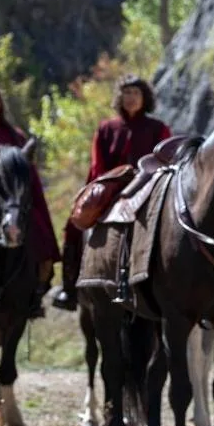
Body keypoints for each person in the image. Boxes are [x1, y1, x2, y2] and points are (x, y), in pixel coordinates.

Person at [52, 75, 172, 311]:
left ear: (144, 97)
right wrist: (108, 188)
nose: (130, 98)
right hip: (111, 188)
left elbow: (166, 162)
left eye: (135, 93)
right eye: (126, 93)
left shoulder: (158, 128)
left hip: (148, 189)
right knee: (74, 225)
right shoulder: (107, 129)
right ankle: (70, 289)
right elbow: (98, 166)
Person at [0, 80, 62, 318]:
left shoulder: (15, 136)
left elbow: (28, 178)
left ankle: (34, 292)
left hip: (12, 202)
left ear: (0, 105)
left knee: (37, 234)